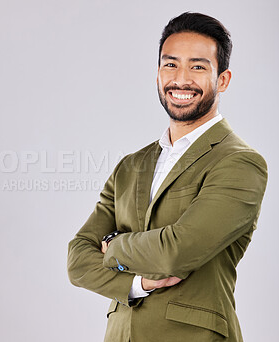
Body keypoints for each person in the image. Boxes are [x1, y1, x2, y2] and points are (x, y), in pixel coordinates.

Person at [67, 12, 268, 342]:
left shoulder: (240, 163)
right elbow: (77, 258)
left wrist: (114, 247)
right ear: (158, 73)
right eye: (170, 64)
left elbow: (177, 252)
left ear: (223, 80)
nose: (181, 79)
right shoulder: (130, 166)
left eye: (198, 66)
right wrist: (138, 284)